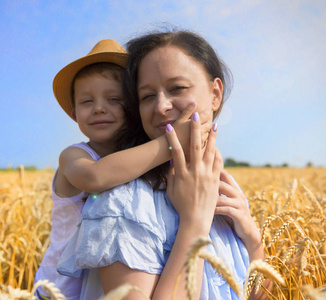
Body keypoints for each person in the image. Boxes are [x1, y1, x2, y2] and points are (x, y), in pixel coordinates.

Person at [58, 30, 266, 300]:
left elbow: (256, 295)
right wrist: (195, 222)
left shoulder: (224, 186)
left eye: (177, 88)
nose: (161, 106)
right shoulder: (124, 200)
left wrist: (253, 241)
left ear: (215, 94)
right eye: (146, 97)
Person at [35, 39, 202, 300]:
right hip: (60, 286)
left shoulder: (137, 161)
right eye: (87, 101)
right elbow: (96, 176)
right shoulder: (74, 155)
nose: (99, 107)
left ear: (133, 108)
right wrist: (173, 141)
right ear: (73, 114)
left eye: (114, 99)